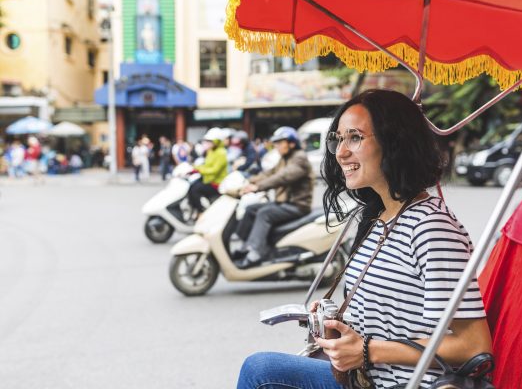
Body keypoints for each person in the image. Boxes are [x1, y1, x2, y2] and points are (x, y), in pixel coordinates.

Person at [237, 90, 492, 388]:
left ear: (394, 143)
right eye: (338, 139)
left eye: (355, 137)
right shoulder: (379, 217)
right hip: (366, 378)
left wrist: (366, 351)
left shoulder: (431, 229)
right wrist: (339, 323)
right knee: (260, 370)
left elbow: (474, 346)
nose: (340, 152)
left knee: (261, 371)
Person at [234, 126, 314, 269]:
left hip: (297, 205)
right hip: (283, 203)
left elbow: (282, 177)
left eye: (280, 142)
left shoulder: (299, 158)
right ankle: (246, 245)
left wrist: (258, 187)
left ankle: (256, 252)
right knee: (251, 209)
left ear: (291, 143)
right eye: (275, 143)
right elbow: (269, 173)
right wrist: (249, 181)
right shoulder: (285, 158)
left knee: (264, 213)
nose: (276, 146)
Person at [187, 128, 228, 212]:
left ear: (217, 141)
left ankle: (200, 211)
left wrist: (199, 170)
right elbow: (206, 165)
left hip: (216, 183)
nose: (207, 143)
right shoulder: (211, 151)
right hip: (207, 179)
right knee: (190, 187)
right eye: (206, 140)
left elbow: (215, 170)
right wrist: (194, 168)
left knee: (195, 190)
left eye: (210, 141)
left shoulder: (222, 153)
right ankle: (194, 209)